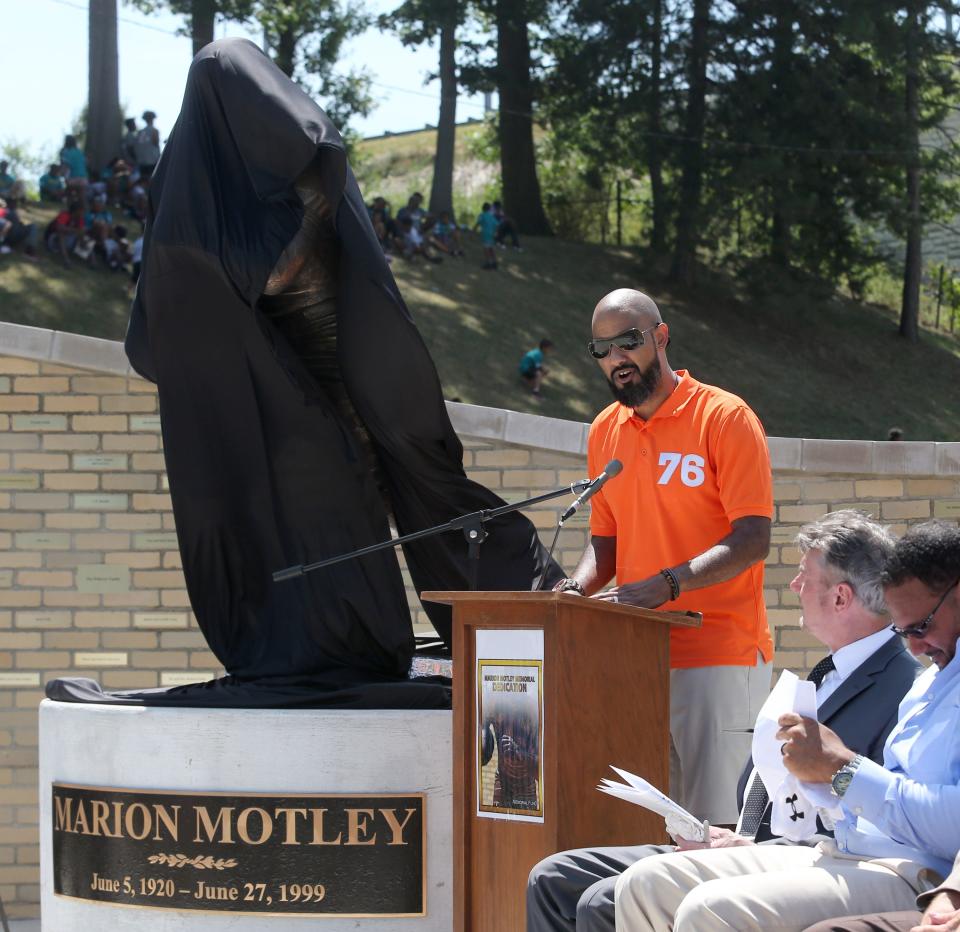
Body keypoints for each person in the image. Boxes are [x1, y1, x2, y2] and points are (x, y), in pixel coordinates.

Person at [527, 510, 919, 932]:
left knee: (603, 899)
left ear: (841, 597)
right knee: (553, 878)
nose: (793, 586)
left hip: (809, 859)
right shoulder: (833, 670)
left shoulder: (903, 685)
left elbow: (875, 821)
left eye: (805, 576)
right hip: (743, 845)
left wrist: (748, 844)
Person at [613, 519, 960, 932]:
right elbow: (876, 806)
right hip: (847, 849)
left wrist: (842, 770)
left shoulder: (908, 678)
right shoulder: (927, 686)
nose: (915, 646)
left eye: (921, 627)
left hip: (914, 872)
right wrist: (822, 784)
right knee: (646, 883)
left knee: (709, 908)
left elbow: (948, 821)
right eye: (904, 632)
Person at [554, 288, 773, 826]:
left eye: (628, 341)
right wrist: (575, 590)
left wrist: (669, 583)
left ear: (661, 336)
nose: (616, 359)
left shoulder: (724, 417)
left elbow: (752, 538)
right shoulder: (605, 430)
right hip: (637, 659)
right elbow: (605, 542)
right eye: (602, 349)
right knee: (653, 830)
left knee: (718, 829)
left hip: (719, 655)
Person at [800, 850, 960, 931]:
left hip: (912, 871)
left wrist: (843, 786)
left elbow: (940, 821)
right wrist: (949, 896)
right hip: (840, 848)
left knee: (775, 906)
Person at [134, 110, 161, 181]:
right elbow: (156, 143)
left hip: (142, 161)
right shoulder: (154, 131)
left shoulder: (140, 132)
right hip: (153, 161)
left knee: (144, 181)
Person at [474, 201, 499, 269]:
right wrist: (495, 232)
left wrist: (474, 229)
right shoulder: (491, 216)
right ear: (489, 209)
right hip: (492, 234)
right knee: (491, 248)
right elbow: (497, 224)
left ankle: (488, 263)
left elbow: (478, 223)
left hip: (485, 234)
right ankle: (495, 262)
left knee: (486, 248)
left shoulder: (482, 215)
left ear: (483, 208)